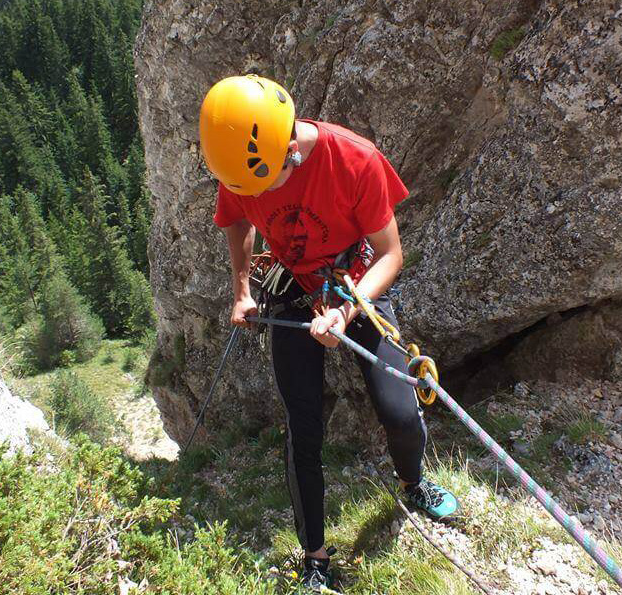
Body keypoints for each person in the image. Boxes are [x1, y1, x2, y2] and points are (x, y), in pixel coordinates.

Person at [199, 74, 459, 591]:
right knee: (304, 427)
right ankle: (315, 556)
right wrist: (241, 290)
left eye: (268, 180)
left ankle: (412, 483)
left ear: (291, 146)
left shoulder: (353, 159)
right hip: (293, 289)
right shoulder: (242, 164)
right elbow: (236, 221)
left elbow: (391, 254)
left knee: (401, 412)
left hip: (357, 280)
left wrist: (344, 310)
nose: (260, 194)